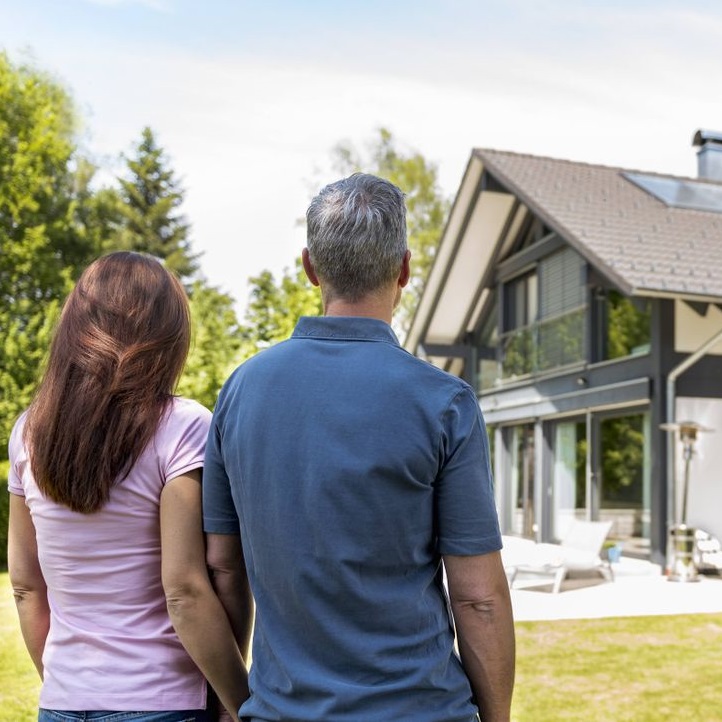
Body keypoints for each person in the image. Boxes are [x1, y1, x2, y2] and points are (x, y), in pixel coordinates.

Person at [203, 173, 516, 721]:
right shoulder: (444, 402)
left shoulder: (241, 391)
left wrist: (236, 702)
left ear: (309, 267)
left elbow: (223, 570)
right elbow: (478, 597)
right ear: (404, 269)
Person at [8, 251, 249, 722]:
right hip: (164, 702)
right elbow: (186, 590)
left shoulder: (28, 433)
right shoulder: (182, 427)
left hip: (61, 704)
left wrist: (68, 687)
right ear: (166, 332)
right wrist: (240, 702)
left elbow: (25, 586)